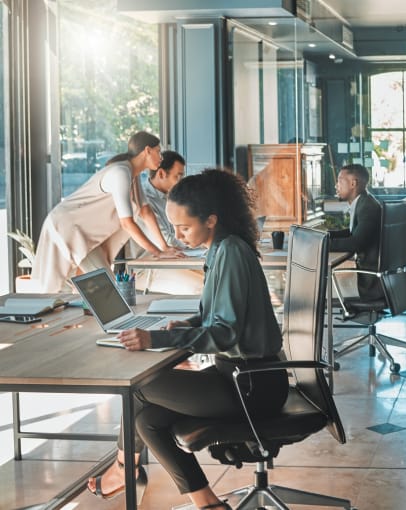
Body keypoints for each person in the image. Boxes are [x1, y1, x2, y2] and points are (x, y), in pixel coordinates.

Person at [87, 168, 289, 510]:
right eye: (174, 227)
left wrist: (157, 339)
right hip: (241, 377)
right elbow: (222, 316)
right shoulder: (222, 248)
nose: (178, 236)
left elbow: (226, 332)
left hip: (252, 385)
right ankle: (207, 503)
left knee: (134, 387)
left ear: (211, 220)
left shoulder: (230, 252)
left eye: (184, 227)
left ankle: (123, 469)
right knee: (147, 420)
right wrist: (189, 323)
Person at [31, 131, 183, 293]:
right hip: (68, 227)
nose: (161, 157)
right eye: (158, 151)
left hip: (86, 235)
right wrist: (157, 253)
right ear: (147, 151)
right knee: (98, 289)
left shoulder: (133, 174)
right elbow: (127, 223)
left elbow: (145, 211)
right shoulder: (120, 173)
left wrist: (164, 248)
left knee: (95, 289)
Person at [129, 150, 204, 294]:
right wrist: (200, 239)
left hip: (172, 260)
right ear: (162, 174)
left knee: (216, 279)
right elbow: (167, 242)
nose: (181, 181)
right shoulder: (145, 201)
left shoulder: (170, 197)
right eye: (178, 176)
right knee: (201, 288)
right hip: (149, 267)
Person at [330, 163, 383, 300]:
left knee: (316, 284)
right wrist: (327, 235)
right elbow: (355, 231)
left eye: (340, 181)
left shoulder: (368, 207)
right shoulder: (365, 202)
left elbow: (356, 243)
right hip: (370, 276)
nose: (336, 185)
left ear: (353, 183)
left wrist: (322, 244)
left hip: (368, 282)